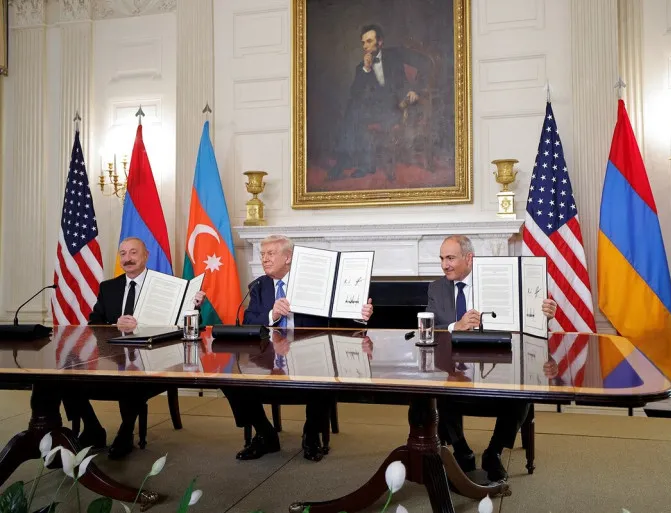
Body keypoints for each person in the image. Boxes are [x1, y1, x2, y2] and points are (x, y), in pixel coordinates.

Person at [223, 234, 373, 462]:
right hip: (268, 360)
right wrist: (272, 314)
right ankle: (265, 434)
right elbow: (248, 320)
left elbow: (337, 319)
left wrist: (359, 315)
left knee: (323, 378)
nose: (264, 259)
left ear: (288, 258)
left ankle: (311, 436)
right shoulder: (259, 286)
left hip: (310, 356)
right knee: (233, 381)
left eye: (271, 254)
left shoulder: (313, 282)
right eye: (262, 254)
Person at [426, 235, 557, 482]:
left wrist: (545, 316)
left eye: (450, 258)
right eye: (442, 259)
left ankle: (493, 454)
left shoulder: (499, 282)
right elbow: (432, 326)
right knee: (441, 391)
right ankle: (462, 452)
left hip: (498, 361)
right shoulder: (436, 288)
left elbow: (525, 320)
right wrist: (457, 325)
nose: (445, 265)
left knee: (522, 395)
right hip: (455, 364)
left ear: (469, 258)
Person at [68, 237, 205, 459]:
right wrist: (115, 325)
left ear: (146, 256)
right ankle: (93, 428)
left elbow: (184, 324)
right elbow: (94, 324)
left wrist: (194, 305)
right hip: (113, 358)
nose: (128, 258)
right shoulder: (108, 288)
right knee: (68, 378)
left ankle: (126, 432)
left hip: (154, 358)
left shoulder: (167, 286)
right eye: (123, 253)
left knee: (131, 379)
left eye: (133, 253)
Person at [328, 24, 420, 180]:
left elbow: (405, 80)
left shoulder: (394, 58)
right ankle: (356, 163)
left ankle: (346, 161)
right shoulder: (361, 67)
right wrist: (366, 69)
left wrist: (412, 90)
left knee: (354, 111)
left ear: (380, 42)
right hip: (374, 111)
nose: (365, 46)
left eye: (369, 41)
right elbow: (354, 93)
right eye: (363, 43)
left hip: (394, 108)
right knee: (353, 108)